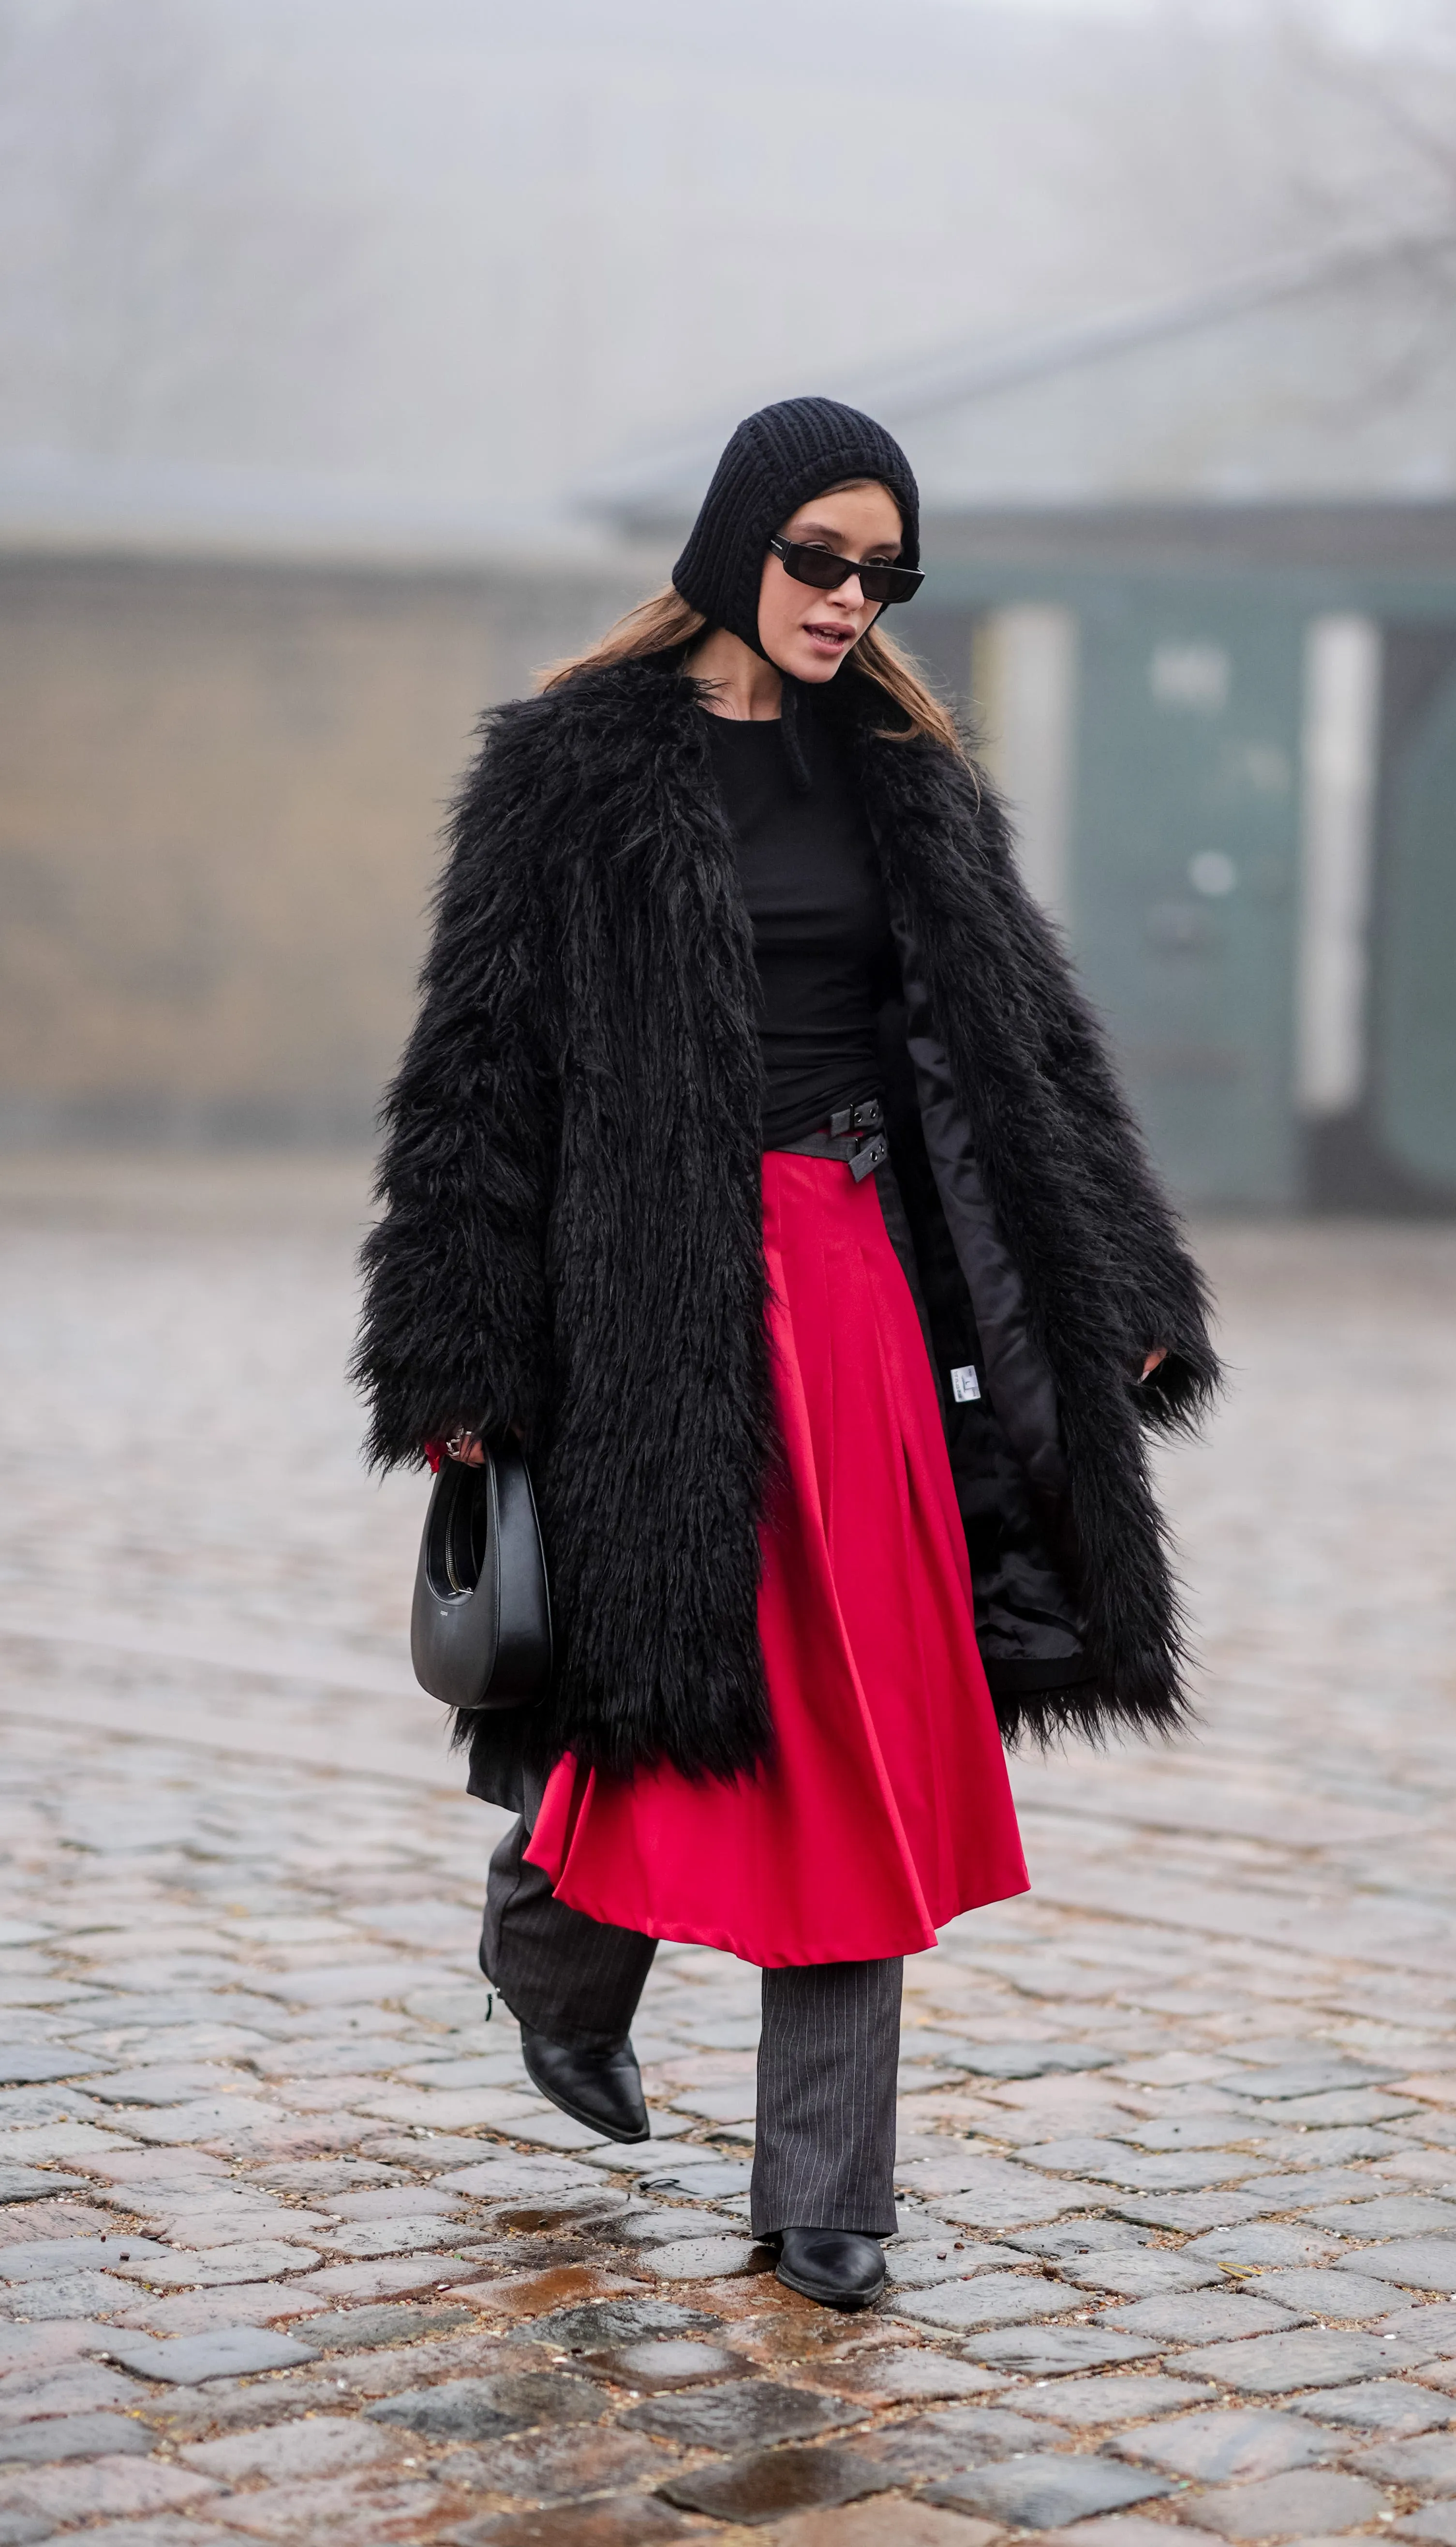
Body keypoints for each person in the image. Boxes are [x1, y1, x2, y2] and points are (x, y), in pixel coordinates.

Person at [356, 396, 1218, 2310]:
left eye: (885, 568)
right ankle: (554, 1936)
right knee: (675, 1685)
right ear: (735, 543)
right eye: (821, 556)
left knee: (865, 1715)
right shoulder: (567, 769)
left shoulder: (907, 768)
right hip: (649, 1299)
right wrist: (458, 1353)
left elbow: (1032, 1053)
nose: (851, 597)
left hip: (864, 1292)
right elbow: (472, 1076)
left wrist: (1122, 1273)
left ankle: (829, 2184)